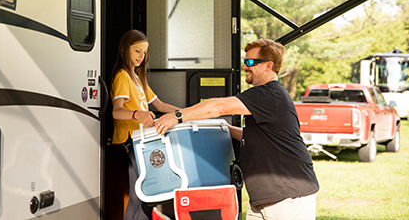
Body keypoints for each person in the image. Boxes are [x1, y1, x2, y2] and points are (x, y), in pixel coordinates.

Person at [155, 38, 319, 220]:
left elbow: (219, 107)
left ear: (268, 66)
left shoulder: (268, 93)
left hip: (288, 196)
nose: (245, 67)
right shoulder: (269, 96)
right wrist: (225, 128)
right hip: (265, 197)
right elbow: (261, 136)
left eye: (250, 62)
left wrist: (177, 116)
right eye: (244, 61)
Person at [111, 29, 182, 220]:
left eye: (144, 52)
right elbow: (116, 111)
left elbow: (160, 105)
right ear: (125, 50)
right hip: (131, 141)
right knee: (146, 193)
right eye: (137, 51)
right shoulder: (122, 76)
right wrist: (138, 114)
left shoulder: (138, 78)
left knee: (140, 194)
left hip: (142, 141)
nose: (141, 57)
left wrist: (185, 114)